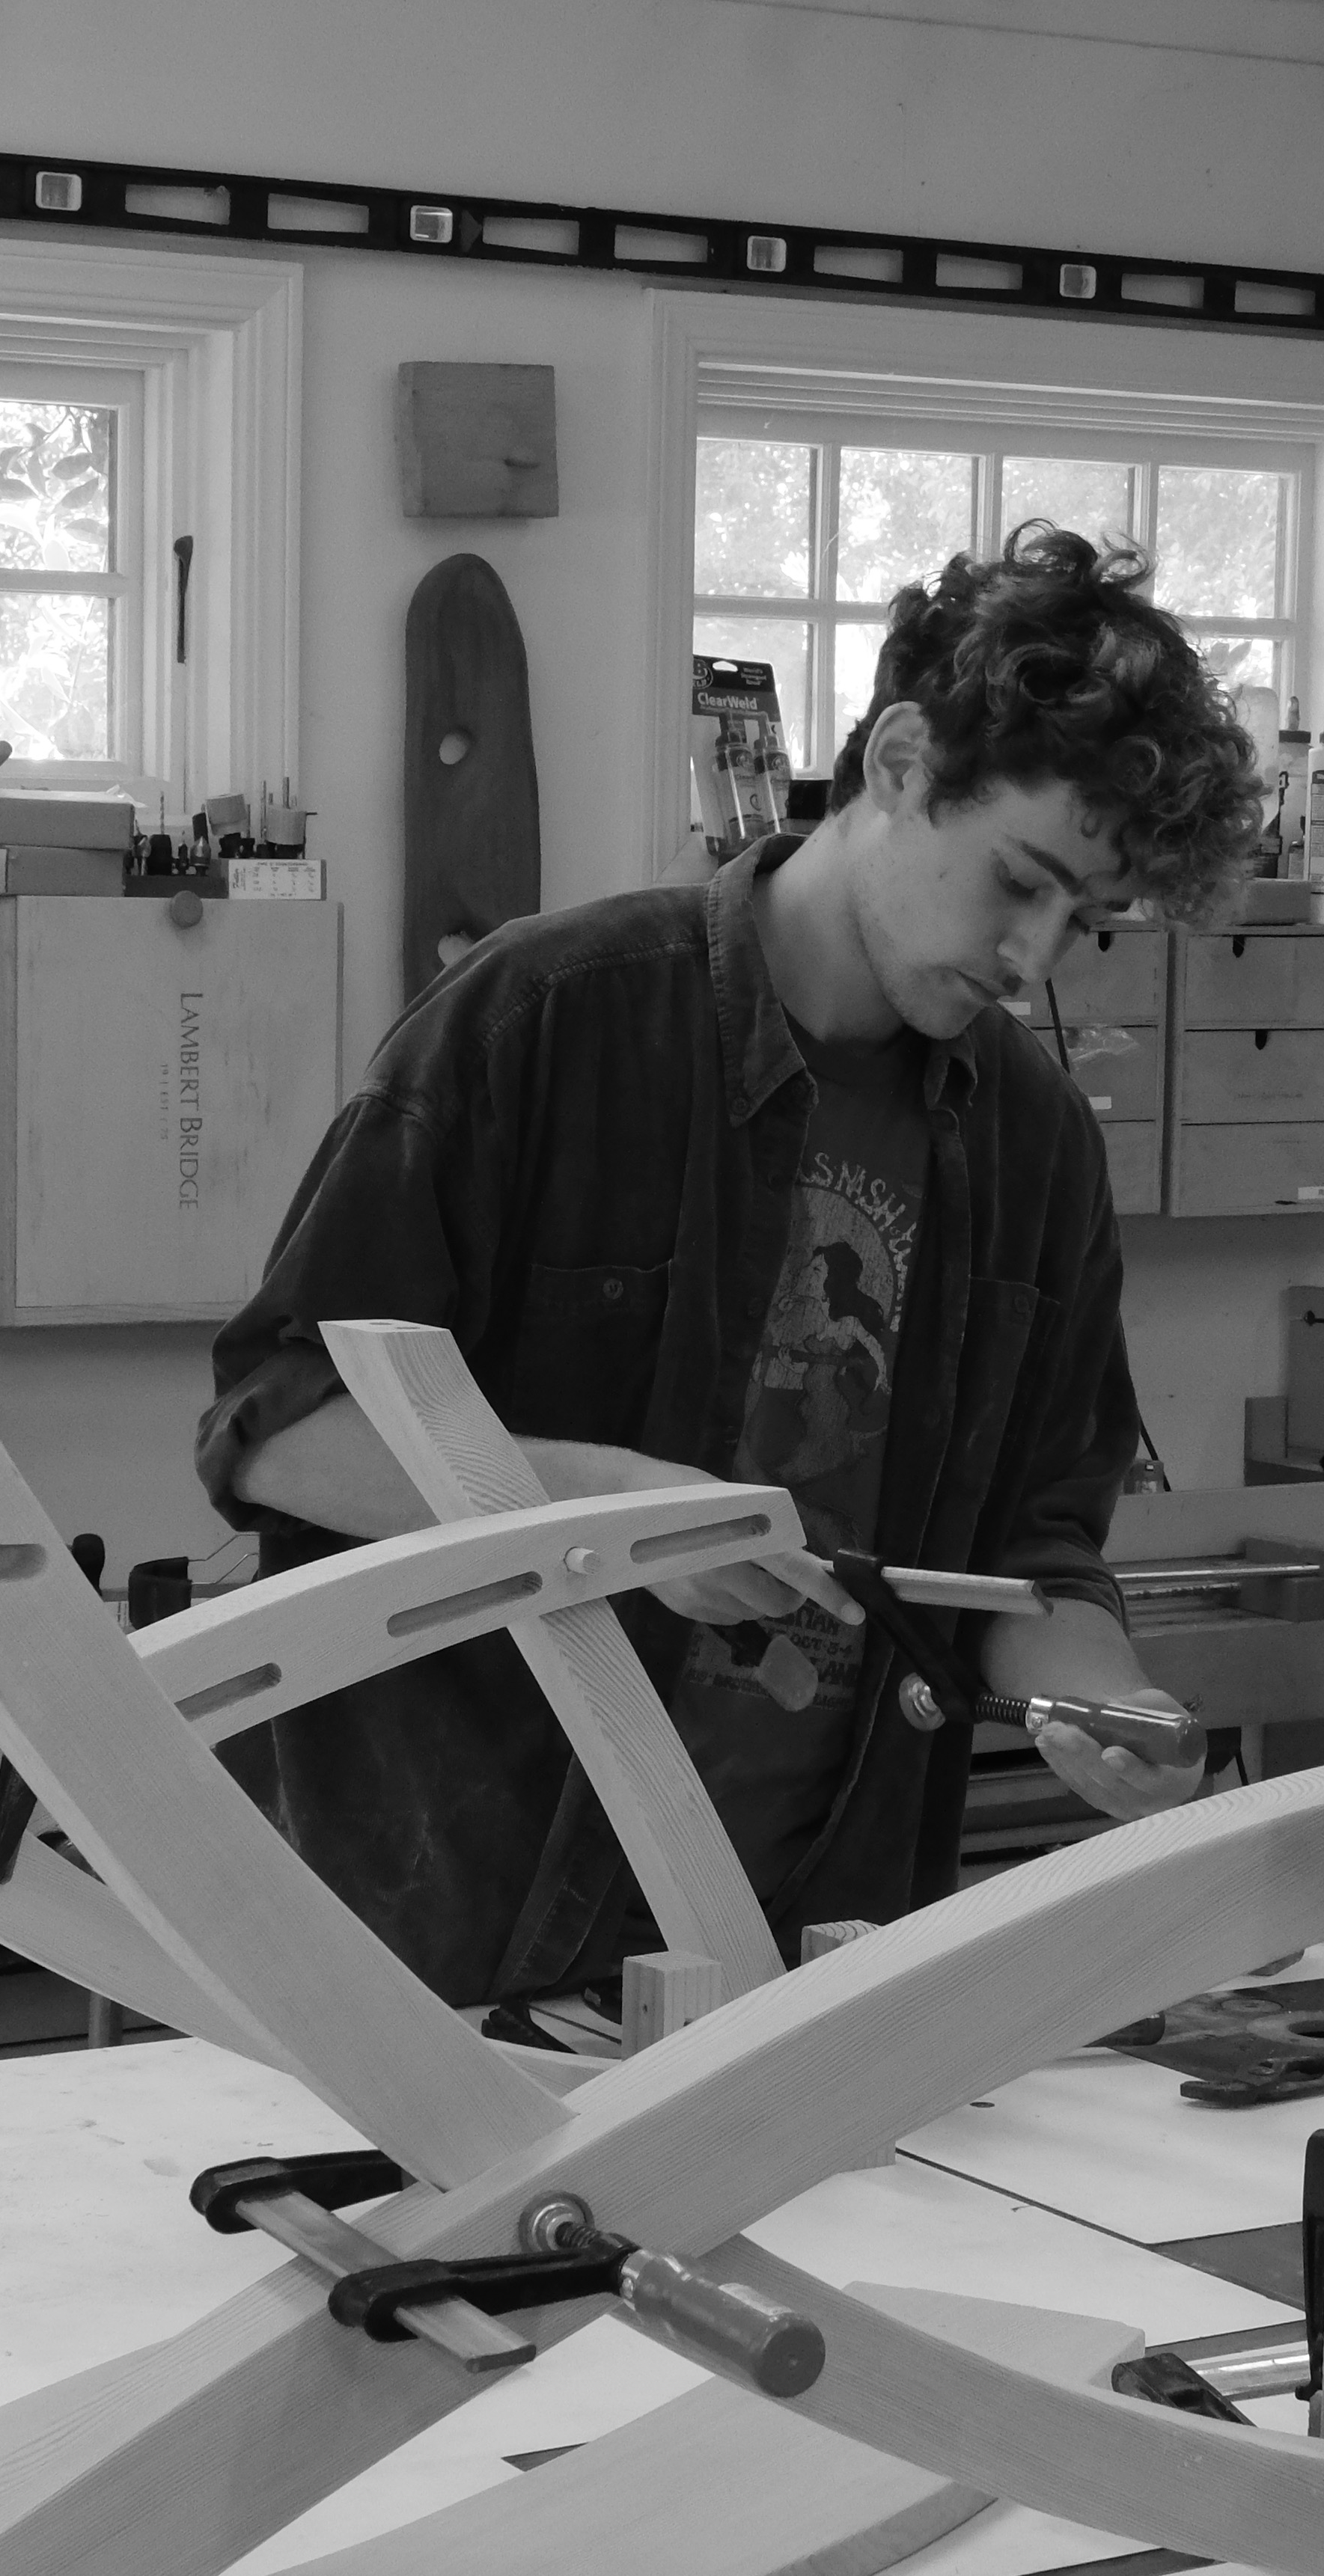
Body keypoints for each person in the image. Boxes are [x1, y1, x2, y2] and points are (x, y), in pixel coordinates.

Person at [195, 521, 1265, 2015]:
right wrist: (603, 1513)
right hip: (448, 1944)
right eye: (1016, 883)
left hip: (816, 1950)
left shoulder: (1033, 1145)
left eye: (1079, 920)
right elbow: (274, 1431)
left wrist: (1105, 1701)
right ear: (900, 762)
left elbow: (1033, 1558)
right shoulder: (545, 1019)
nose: (1034, 960)